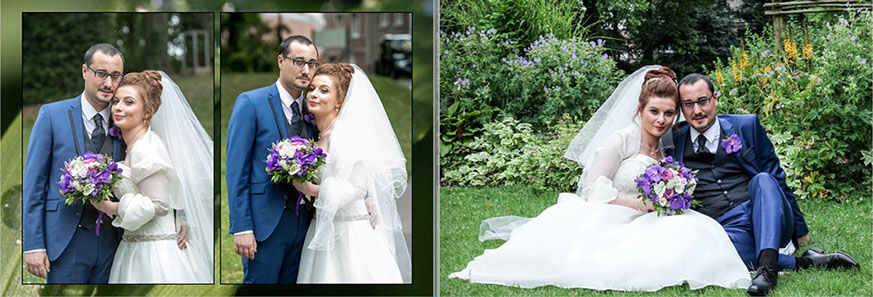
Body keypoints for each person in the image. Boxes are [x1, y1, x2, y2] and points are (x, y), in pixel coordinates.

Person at [449, 66, 751, 291]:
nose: (661, 120)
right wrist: (637, 205)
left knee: (697, 230)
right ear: (641, 109)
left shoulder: (668, 144)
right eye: (654, 111)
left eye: (669, 114)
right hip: (608, 213)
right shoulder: (619, 140)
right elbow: (592, 189)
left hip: (647, 216)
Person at [670, 74, 859, 296]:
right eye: (689, 104)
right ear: (681, 108)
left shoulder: (746, 126)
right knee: (712, 253)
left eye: (703, 101)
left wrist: (800, 228)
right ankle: (804, 263)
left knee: (763, 179)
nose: (697, 110)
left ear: (715, 99)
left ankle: (767, 271)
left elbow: (775, 173)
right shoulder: (674, 139)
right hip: (725, 228)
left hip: (766, 211)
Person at [89, 70, 213, 283]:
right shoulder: (134, 146)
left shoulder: (145, 148)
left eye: (129, 102)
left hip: (155, 252)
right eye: (117, 101)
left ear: (148, 111)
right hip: (135, 246)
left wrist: (108, 207)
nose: (118, 107)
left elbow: (159, 204)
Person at [292, 63, 411, 283]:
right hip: (321, 228)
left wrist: (311, 189)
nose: (314, 94)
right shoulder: (318, 137)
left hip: (349, 233)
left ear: (339, 101)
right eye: (312, 89)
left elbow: (357, 188)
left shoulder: (346, 135)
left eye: (324, 90)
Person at [23, 43, 126, 284]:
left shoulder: (126, 117)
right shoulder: (51, 115)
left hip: (116, 243)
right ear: (84, 71)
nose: (108, 84)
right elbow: (34, 185)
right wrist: (34, 245)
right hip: (66, 240)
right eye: (101, 74)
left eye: (115, 76)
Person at [226, 35, 320, 284]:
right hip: (264, 225)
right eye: (299, 62)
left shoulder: (314, 110)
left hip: (306, 223)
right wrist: (242, 227)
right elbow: (237, 171)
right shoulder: (251, 103)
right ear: (281, 60)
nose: (306, 70)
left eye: (312, 64)